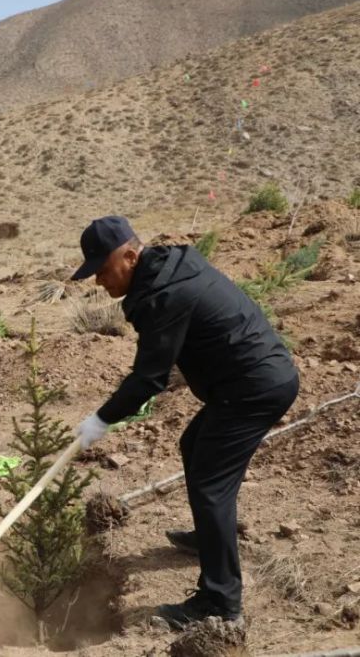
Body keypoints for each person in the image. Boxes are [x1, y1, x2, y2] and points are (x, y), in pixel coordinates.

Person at [70, 216, 299, 629]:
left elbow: (149, 377)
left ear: (130, 255)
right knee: (194, 446)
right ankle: (209, 540)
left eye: (102, 270)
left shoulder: (167, 293)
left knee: (212, 483)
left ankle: (220, 602)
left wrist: (101, 419)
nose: (99, 282)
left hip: (253, 388)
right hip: (245, 383)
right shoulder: (166, 274)